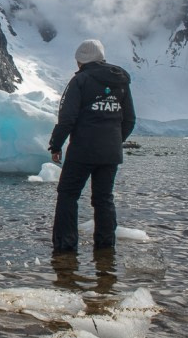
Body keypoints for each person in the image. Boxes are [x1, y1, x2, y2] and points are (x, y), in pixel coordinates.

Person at [48, 39, 136, 253]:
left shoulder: (80, 81)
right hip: (111, 152)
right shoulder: (121, 81)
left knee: (68, 194)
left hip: (83, 149)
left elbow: (67, 118)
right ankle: (106, 248)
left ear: (80, 61)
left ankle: (65, 246)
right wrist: (115, 140)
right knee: (104, 198)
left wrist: (56, 145)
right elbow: (130, 119)